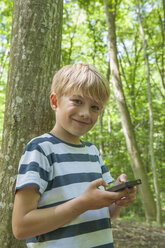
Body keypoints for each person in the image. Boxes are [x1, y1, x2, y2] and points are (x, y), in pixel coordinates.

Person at [12, 63, 137, 248]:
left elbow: (105, 213)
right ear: (55, 102)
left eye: (95, 107)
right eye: (77, 101)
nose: (86, 113)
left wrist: (116, 199)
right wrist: (82, 203)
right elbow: (21, 227)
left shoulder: (92, 152)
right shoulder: (40, 149)